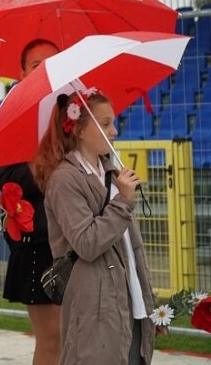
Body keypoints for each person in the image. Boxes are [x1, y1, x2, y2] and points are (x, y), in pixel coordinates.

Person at [33, 90, 162, 364]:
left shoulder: (109, 173)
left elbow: (130, 248)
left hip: (127, 303)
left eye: (113, 122)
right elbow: (87, 243)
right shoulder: (65, 179)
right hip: (95, 308)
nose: (114, 131)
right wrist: (124, 202)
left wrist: (148, 302)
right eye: (104, 124)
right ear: (79, 128)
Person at [0, 39, 61, 364]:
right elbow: (9, 182)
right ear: (22, 73)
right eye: (37, 64)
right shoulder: (12, 117)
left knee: (75, 335)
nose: (46, 68)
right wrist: (50, 161)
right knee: (52, 338)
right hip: (37, 244)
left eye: (54, 61)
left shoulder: (73, 113)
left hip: (74, 240)